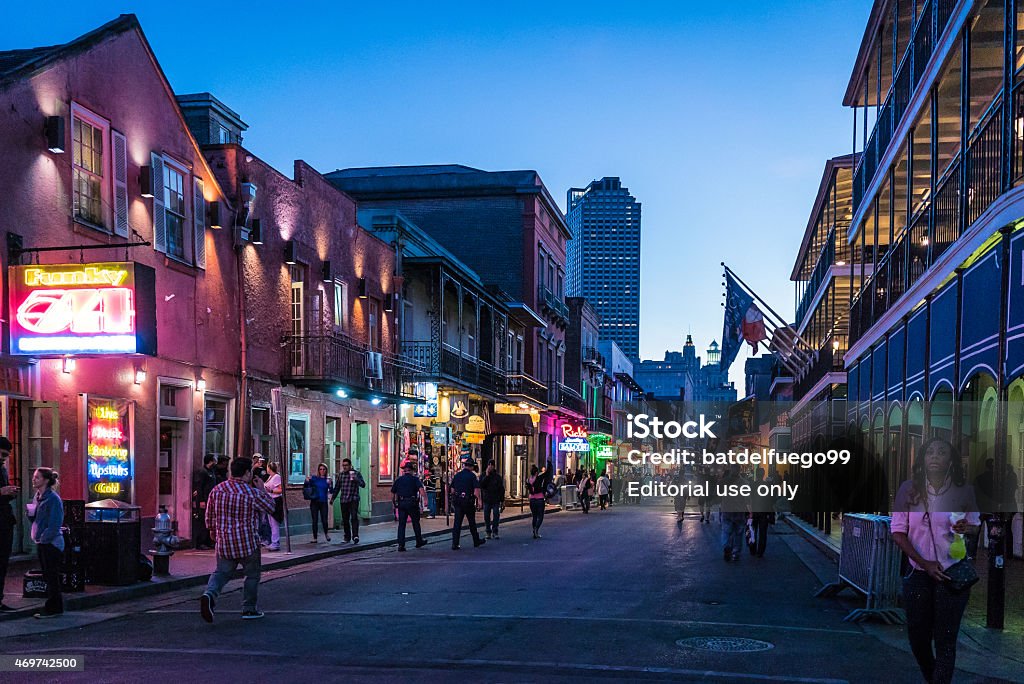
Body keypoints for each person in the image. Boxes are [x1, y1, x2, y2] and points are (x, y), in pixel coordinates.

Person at [891, 437, 981, 684]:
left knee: (946, 639)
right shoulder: (908, 490)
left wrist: (966, 527)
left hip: (952, 572)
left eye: (941, 452)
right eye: (929, 452)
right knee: (918, 638)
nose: (934, 456)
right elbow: (898, 532)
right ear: (922, 459)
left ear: (950, 460)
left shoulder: (964, 491)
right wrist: (924, 562)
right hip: (919, 573)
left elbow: (974, 525)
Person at [200, 457, 275, 622]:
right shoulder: (251, 493)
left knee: (221, 572)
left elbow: (209, 514)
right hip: (248, 541)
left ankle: (209, 594)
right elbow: (271, 507)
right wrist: (262, 489)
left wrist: (212, 530)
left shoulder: (218, 490)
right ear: (247, 473)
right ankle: (249, 609)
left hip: (225, 540)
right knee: (252, 575)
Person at [27, 467, 63, 619]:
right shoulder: (37, 497)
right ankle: (53, 605)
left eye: (37, 477)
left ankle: (54, 607)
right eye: (34, 477)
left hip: (51, 543)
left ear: (46, 480)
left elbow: (55, 523)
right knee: (48, 575)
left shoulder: (53, 499)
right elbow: (37, 520)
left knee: (52, 574)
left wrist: (44, 538)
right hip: (41, 541)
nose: (34, 480)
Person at [390, 462, 427, 551]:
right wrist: (425, 499)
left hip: (401, 503)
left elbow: (393, 493)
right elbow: (421, 490)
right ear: (411, 471)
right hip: (412, 503)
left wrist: (393, 503)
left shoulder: (398, 480)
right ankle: (419, 541)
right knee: (415, 523)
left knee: (402, 525)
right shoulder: (415, 479)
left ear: (404, 471)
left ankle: (401, 545)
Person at [0, 436, 19, 612]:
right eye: (2, 454)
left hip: (5, 520)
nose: (4, 458)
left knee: (3, 562)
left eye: (6, 456)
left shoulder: (3, 470)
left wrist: (10, 493)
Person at [449, 459, 485, 550]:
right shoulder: (472, 476)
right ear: (472, 466)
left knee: (457, 523)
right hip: (468, 502)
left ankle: (455, 543)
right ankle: (476, 541)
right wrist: (479, 501)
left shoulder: (457, 475)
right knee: (472, 522)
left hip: (458, 502)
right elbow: (476, 490)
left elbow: (452, 490)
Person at [331, 458, 365, 543]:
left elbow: (363, 484)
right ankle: (347, 536)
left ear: (350, 465)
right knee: (345, 519)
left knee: (354, 517)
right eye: (343, 465)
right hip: (344, 500)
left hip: (353, 499)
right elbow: (337, 487)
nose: (345, 467)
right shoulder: (341, 475)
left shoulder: (356, 473)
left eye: (346, 465)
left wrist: (356, 479)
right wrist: (333, 498)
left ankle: (355, 536)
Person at [719, 468, 749, 562]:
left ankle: (727, 546)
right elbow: (747, 498)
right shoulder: (744, 483)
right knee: (738, 534)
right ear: (739, 471)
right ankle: (736, 553)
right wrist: (750, 512)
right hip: (739, 511)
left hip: (727, 510)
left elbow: (718, 494)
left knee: (726, 531)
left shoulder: (723, 482)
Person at [191, 455, 217, 550]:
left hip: (211, 500)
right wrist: (201, 500)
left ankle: (208, 541)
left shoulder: (211, 471)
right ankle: (200, 542)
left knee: (209, 520)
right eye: (214, 460)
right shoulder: (202, 472)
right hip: (204, 500)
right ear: (210, 461)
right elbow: (199, 487)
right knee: (202, 521)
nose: (215, 462)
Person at [749, 468, 775, 557]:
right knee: (763, 532)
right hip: (764, 512)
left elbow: (748, 499)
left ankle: (752, 549)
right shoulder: (767, 486)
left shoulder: (752, 485)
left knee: (752, 531)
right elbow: (772, 499)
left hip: (754, 511)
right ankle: (760, 551)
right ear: (763, 474)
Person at [305, 463, 333, 543]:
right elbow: (307, 486)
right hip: (315, 501)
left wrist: (330, 484)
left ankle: (326, 534)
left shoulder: (327, 480)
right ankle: (315, 537)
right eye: (320, 469)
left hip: (323, 501)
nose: (322, 471)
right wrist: (307, 480)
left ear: (326, 470)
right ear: (318, 470)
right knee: (315, 520)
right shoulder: (315, 478)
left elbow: (331, 491)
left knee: (324, 519)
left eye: (324, 469)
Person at [480, 461, 505, 539]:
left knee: (496, 514)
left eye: (492, 465)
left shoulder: (497, 477)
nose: (490, 467)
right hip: (487, 499)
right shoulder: (483, 475)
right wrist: (486, 476)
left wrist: (502, 500)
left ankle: (495, 531)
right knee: (486, 515)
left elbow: (501, 489)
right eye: (489, 465)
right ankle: (488, 531)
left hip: (495, 499)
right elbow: (481, 485)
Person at [264, 462, 283, 551]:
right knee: (271, 523)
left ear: (269, 468)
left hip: (276, 500)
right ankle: (273, 541)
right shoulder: (270, 477)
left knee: (274, 522)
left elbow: (280, 489)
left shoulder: (276, 477)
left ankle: (276, 542)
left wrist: (271, 491)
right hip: (270, 500)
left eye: (267, 467)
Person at [526, 465, 548, 538]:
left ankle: (534, 531)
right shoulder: (538, 479)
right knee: (540, 516)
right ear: (536, 473)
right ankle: (536, 529)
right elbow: (546, 474)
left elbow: (528, 488)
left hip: (532, 499)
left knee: (534, 516)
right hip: (539, 498)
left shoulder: (528, 479)